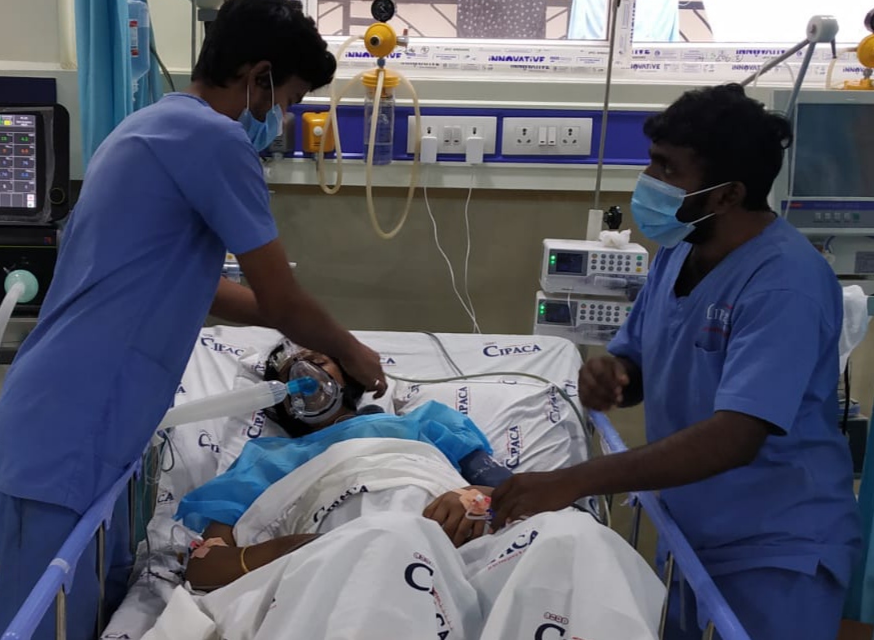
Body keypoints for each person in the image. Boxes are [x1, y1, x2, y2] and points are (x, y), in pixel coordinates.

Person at [0, 0, 387, 640]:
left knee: (84, 614)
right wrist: (350, 350)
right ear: (259, 77)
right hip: (73, 423)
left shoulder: (153, 125)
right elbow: (281, 298)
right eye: (287, 99)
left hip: (76, 417)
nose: (283, 117)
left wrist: (297, 328)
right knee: (45, 624)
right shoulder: (214, 141)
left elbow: (199, 287)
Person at [489, 84, 861, 640]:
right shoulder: (681, 251)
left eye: (667, 169)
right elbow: (640, 356)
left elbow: (734, 437)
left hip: (777, 549)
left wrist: (576, 481)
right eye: (652, 162)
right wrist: (614, 375)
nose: (649, 181)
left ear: (727, 195)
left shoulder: (785, 285)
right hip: (695, 529)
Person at [166, 341, 663, 640]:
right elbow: (206, 566)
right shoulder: (263, 458)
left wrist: (474, 501)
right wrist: (294, 550)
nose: (305, 374)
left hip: (462, 553)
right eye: (288, 373)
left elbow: (514, 492)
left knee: (575, 537)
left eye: (318, 360)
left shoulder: (424, 423)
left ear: (351, 373)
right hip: (345, 554)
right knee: (391, 537)